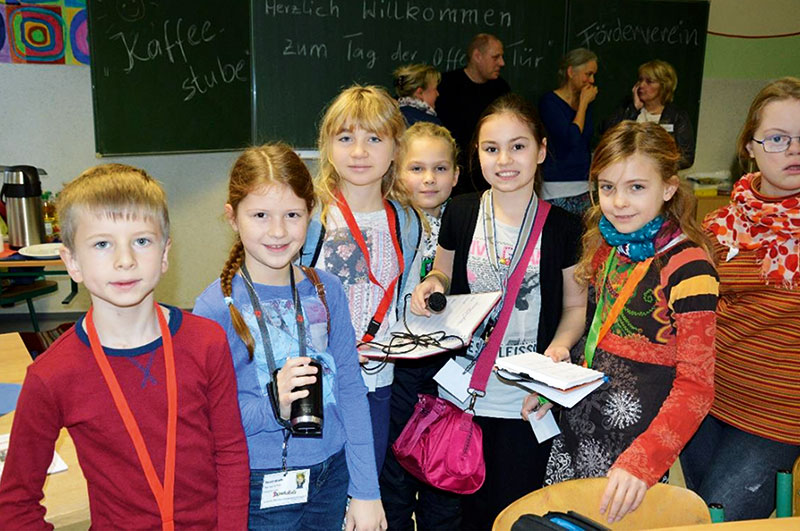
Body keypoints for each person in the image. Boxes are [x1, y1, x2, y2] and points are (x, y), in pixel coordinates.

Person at [0, 164, 250, 529]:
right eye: (102, 244)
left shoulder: (206, 342)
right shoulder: (52, 376)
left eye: (142, 241)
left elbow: (229, 454)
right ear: (72, 262)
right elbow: (15, 503)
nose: (125, 260)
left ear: (165, 254)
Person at [526, 121, 718, 524]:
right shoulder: (608, 246)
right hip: (576, 432)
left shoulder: (690, 267)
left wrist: (644, 462)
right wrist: (552, 388)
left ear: (667, 188)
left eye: (636, 187)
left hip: (630, 456)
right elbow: (592, 343)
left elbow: (696, 388)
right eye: (607, 187)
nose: (618, 202)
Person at [411, 94, 586, 530]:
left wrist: (560, 347)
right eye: (491, 148)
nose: (504, 159)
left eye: (518, 146)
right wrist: (433, 284)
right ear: (478, 155)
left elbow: (574, 305)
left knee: (515, 513)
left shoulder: (564, 227)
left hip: (527, 400)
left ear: (541, 150)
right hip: (465, 395)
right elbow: (444, 273)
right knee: (463, 515)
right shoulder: (462, 211)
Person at [193, 144, 386, 530]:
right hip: (256, 483)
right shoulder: (215, 307)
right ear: (233, 218)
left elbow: (349, 388)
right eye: (260, 215)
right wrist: (272, 406)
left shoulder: (327, 290)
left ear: (311, 216)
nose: (278, 231)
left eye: (292, 215)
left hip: (331, 475)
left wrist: (367, 490)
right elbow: (210, 419)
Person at [680, 77, 800, 521]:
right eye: (777, 138)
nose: (793, 150)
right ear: (749, 146)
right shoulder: (720, 223)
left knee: (711, 519)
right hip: (707, 400)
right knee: (696, 509)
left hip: (777, 417)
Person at [298, 85, 421, 479]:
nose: (359, 151)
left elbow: (404, 302)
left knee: (364, 490)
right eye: (346, 138)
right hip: (316, 385)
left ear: (395, 148)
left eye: (374, 139)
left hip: (375, 385)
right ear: (327, 145)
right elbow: (285, 299)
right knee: (318, 490)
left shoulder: (407, 220)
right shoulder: (308, 215)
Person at [380, 121, 462, 529]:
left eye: (440, 168)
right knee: (392, 474)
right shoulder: (389, 223)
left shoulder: (468, 223)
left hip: (450, 368)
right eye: (416, 168)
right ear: (396, 171)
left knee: (443, 474)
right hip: (397, 368)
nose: (429, 179)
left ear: (457, 174)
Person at [436, 33, 511, 196]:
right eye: (495, 57)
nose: (501, 63)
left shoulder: (501, 89)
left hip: (490, 176)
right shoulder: (446, 86)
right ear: (477, 56)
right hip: (455, 177)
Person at [602, 60, 695, 169]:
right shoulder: (627, 109)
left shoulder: (677, 116)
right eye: (640, 80)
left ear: (664, 86)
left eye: (649, 82)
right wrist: (634, 109)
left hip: (661, 178)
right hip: (628, 173)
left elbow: (687, 157)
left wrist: (655, 166)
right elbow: (608, 138)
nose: (641, 85)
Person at [538, 48, 599, 216]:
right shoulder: (550, 103)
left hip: (583, 184)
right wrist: (583, 105)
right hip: (557, 186)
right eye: (588, 74)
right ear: (571, 72)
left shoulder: (585, 102)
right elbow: (571, 138)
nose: (591, 81)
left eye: (593, 75)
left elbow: (586, 139)